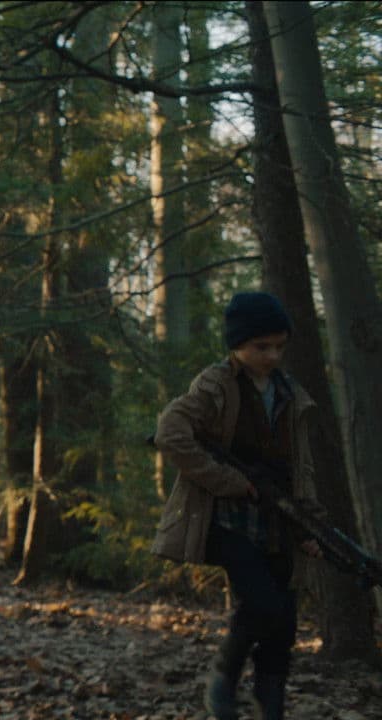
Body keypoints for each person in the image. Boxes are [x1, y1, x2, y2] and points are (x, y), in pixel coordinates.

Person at [152, 291, 324, 720]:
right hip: (228, 520)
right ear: (238, 344)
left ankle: (271, 706)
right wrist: (227, 481)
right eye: (261, 347)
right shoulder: (216, 384)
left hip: (279, 519)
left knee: (283, 623)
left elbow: (300, 466)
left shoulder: (289, 392)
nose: (272, 356)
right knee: (261, 603)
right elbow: (171, 432)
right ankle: (222, 679)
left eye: (279, 346)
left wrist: (309, 525)